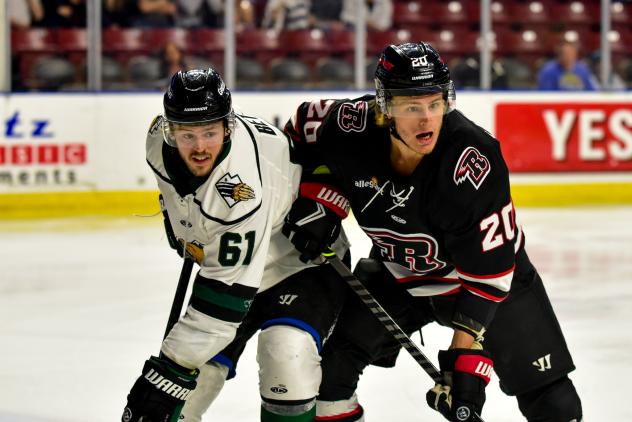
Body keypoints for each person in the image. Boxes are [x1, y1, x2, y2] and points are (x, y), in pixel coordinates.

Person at [282, 42, 583, 421]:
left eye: (435, 103)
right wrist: (322, 197)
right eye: (411, 107)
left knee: (554, 402)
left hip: (485, 284)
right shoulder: (346, 124)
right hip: (399, 275)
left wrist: (464, 361)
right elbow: (295, 139)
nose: (427, 120)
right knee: (329, 377)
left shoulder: (471, 160)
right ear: (384, 107)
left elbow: (488, 279)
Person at [121, 67, 350, 422]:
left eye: (210, 132)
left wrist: (165, 375)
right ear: (168, 129)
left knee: (285, 356)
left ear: (228, 126)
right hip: (238, 265)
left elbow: (220, 312)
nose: (199, 148)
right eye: (187, 134)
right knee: (195, 387)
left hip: (302, 262)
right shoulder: (156, 142)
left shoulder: (240, 192)